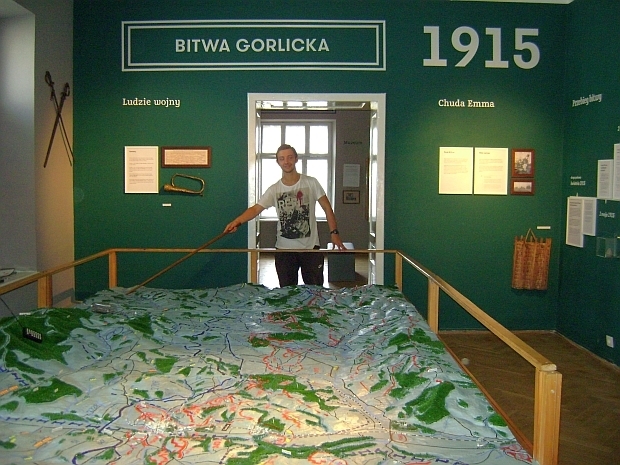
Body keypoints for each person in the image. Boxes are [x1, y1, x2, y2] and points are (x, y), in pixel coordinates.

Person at [224, 144, 346, 287]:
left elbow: (327, 207)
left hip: (310, 249)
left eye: (289, 157)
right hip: (284, 251)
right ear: (278, 162)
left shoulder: (311, 182)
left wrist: (334, 233)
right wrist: (237, 222)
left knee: (315, 291)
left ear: (296, 159)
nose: (286, 161)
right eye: (282, 159)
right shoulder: (274, 189)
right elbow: (256, 209)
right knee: (287, 292)